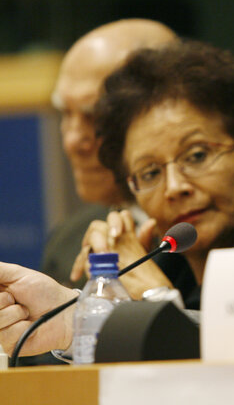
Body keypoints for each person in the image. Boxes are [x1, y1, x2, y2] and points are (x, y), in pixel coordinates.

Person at [0, 41, 234, 356]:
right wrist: (73, 313)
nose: (175, 186)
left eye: (197, 156)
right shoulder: (173, 261)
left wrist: (153, 296)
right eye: (151, 173)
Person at [43, 19, 178, 288]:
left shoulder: (221, 238)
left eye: (95, 116)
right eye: (66, 113)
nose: (72, 141)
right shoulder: (67, 243)